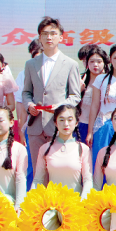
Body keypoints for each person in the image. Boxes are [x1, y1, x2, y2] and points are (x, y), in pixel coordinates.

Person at [22, 17, 82, 163]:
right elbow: (26, 92)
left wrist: (60, 107)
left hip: (58, 127)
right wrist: (29, 105)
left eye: (53, 33)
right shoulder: (30, 64)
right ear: (39, 38)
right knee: (38, 169)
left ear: (61, 37)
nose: (49, 37)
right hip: (36, 127)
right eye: (45, 33)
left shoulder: (70, 64)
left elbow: (75, 96)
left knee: (57, 168)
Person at [34, 105, 92, 199]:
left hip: (76, 203)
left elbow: (88, 180)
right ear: (55, 123)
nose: (66, 124)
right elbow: (37, 180)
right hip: (52, 203)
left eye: (70, 120)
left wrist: (83, 201)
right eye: (61, 120)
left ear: (76, 122)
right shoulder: (45, 148)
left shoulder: (83, 149)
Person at [78, 44, 109, 143]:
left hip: (102, 125)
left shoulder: (110, 81)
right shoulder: (81, 80)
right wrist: (78, 91)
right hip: (81, 124)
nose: (95, 65)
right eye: (91, 61)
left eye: (99, 62)